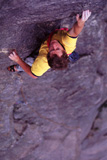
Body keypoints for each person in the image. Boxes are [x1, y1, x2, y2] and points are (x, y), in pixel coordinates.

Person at [7, 10, 91, 79]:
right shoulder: (67, 43)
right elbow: (75, 32)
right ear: (64, 51)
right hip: (58, 37)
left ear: (48, 55)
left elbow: (33, 75)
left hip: (45, 49)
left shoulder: (43, 61)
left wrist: (17, 59)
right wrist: (81, 22)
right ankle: (71, 55)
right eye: (57, 49)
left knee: (30, 62)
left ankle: (18, 68)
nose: (54, 45)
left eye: (51, 50)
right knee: (72, 52)